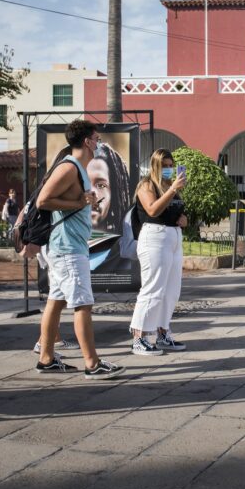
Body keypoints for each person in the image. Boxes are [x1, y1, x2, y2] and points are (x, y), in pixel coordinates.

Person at [33, 119, 125, 379]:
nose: (98, 144)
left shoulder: (77, 168)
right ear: (86, 141)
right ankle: (92, 363)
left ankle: (46, 358)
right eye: (96, 139)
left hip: (67, 247)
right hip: (68, 249)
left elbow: (69, 200)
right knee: (83, 304)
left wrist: (84, 202)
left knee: (56, 301)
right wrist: (78, 202)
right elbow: (43, 200)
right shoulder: (70, 167)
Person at [129, 148, 187, 355]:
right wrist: (172, 190)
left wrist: (184, 220)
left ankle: (163, 333)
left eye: (172, 166)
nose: (169, 170)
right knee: (152, 289)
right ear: (156, 165)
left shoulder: (169, 186)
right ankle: (139, 337)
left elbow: (177, 212)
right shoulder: (147, 184)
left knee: (171, 290)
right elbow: (152, 209)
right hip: (154, 237)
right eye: (165, 166)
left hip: (173, 237)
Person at [88, 142, 130, 233]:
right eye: (82, 182)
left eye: (101, 185)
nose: (92, 192)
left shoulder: (125, 240)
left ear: (113, 193)